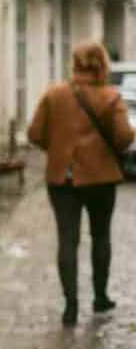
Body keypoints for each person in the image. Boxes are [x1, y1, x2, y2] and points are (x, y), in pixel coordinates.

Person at [28, 42, 135, 326]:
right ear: (102, 64)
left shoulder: (54, 95)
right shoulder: (111, 97)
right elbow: (125, 138)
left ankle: (70, 306)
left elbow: (35, 133)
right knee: (101, 236)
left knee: (67, 239)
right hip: (101, 179)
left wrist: (60, 150)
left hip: (62, 179)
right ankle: (100, 297)